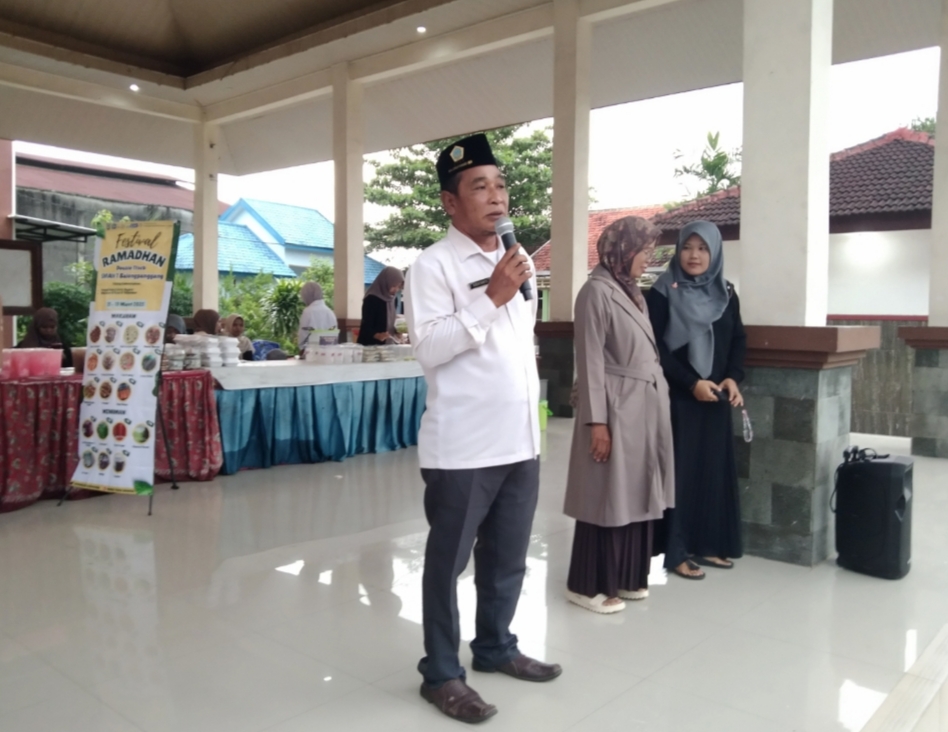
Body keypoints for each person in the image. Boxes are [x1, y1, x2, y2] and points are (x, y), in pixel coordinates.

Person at [405, 133, 561, 725]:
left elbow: (520, 347)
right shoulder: (433, 265)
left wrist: (506, 288)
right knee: (448, 565)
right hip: (463, 446)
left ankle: (495, 646)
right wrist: (491, 296)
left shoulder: (519, 261)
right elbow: (429, 348)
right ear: (451, 202)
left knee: (508, 558)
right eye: (479, 187)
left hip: (519, 438)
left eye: (500, 185)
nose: (496, 197)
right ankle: (441, 674)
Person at [563, 216, 675, 614]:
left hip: (643, 404)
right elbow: (589, 360)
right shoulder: (595, 292)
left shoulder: (631, 293)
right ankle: (586, 584)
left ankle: (628, 575)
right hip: (614, 404)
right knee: (606, 494)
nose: (647, 260)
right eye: (643, 252)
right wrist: (598, 422)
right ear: (623, 251)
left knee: (637, 490)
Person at [646, 220, 747, 581]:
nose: (694, 255)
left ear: (715, 252)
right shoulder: (661, 291)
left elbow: (738, 338)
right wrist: (691, 384)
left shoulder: (726, 292)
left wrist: (733, 377)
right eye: (687, 247)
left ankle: (707, 543)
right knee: (681, 475)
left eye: (703, 248)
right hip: (679, 399)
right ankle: (676, 551)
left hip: (716, 396)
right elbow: (655, 348)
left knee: (712, 473)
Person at [357, 267, 405, 346]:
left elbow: (390, 322)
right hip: (370, 346)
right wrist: (378, 335)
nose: (396, 289)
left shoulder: (394, 299)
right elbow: (366, 326)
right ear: (385, 282)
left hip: (388, 346)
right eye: (394, 286)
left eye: (399, 287)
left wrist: (397, 331)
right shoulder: (372, 299)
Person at [297, 281, 337, 350]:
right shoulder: (330, 312)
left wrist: (301, 348)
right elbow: (334, 335)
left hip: (312, 352)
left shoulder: (308, 312)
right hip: (330, 352)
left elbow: (303, 336)